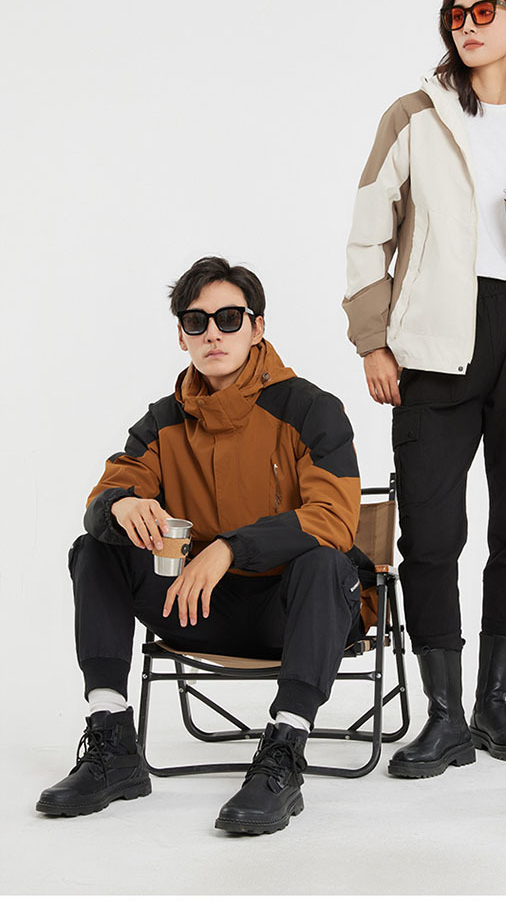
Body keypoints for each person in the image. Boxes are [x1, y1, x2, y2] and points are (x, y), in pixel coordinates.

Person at [343, 0, 506, 778]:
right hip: (434, 347)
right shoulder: (415, 115)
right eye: (457, 13)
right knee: (430, 534)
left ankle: (493, 701)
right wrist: (372, 339)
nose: (468, 24)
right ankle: (444, 716)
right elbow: (367, 235)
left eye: (485, 11)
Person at [37, 256, 364, 834]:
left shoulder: (312, 409)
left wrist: (230, 548)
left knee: (325, 561)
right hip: (195, 606)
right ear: (182, 335)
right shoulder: (163, 420)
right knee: (96, 546)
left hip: (290, 615)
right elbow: (108, 490)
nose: (213, 333)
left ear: (257, 327)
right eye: (197, 321)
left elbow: (334, 517)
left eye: (229, 318)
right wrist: (120, 505)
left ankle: (284, 753)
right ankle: (112, 743)